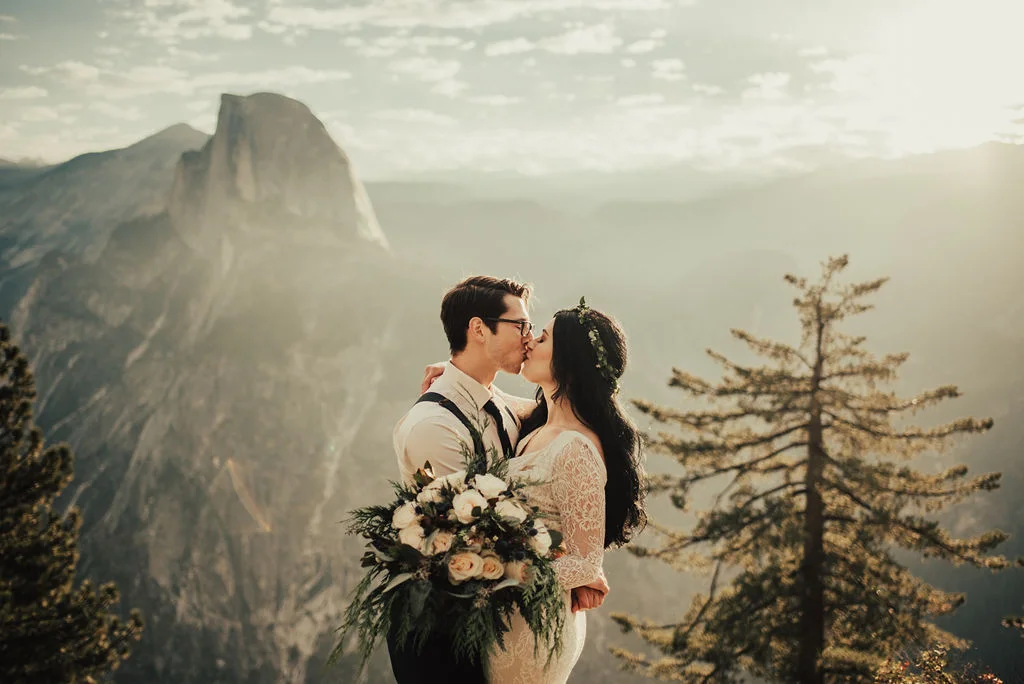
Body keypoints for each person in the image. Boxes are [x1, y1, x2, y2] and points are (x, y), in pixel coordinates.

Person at [388, 276, 610, 684]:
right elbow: (472, 539)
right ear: (478, 329)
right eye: (521, 326)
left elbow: (564, 416)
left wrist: (580, 562)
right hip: (447, 637)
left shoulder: (508, 408)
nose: (528, 339)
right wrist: (573, 566)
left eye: (535, 332)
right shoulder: (435, 426)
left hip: (509, 624)